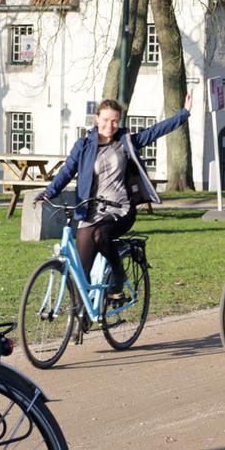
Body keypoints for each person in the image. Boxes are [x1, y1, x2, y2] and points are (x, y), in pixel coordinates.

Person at [37, 96, 191, 299]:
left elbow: (156, 131)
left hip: (120, 209)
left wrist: (184, 113)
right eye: (106, 120)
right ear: (96, 119)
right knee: (81, 273)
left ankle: (118, 274)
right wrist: (49, 191)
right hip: (90, 210)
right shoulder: (83, 146)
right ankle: (81, 320)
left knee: (100, 235)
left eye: (115, 121)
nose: (110, 125)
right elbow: (66, 171)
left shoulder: (125, 142)